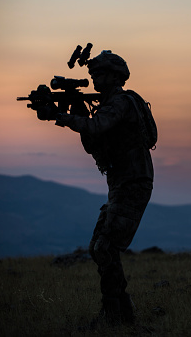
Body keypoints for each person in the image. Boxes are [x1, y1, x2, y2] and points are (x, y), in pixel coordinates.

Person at [40, 50, 156, 324]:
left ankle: (114, 314)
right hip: (121, 183)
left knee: (105, 247)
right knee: (98, 247)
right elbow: (93, 142)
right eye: (93, 75)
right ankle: (121, 311)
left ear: (115, 76)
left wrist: (62, 116)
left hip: (133, 183)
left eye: (100, 74)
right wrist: (75, 109)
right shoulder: (109, 105)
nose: (94, 79)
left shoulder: (120, 103)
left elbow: (97, 126)